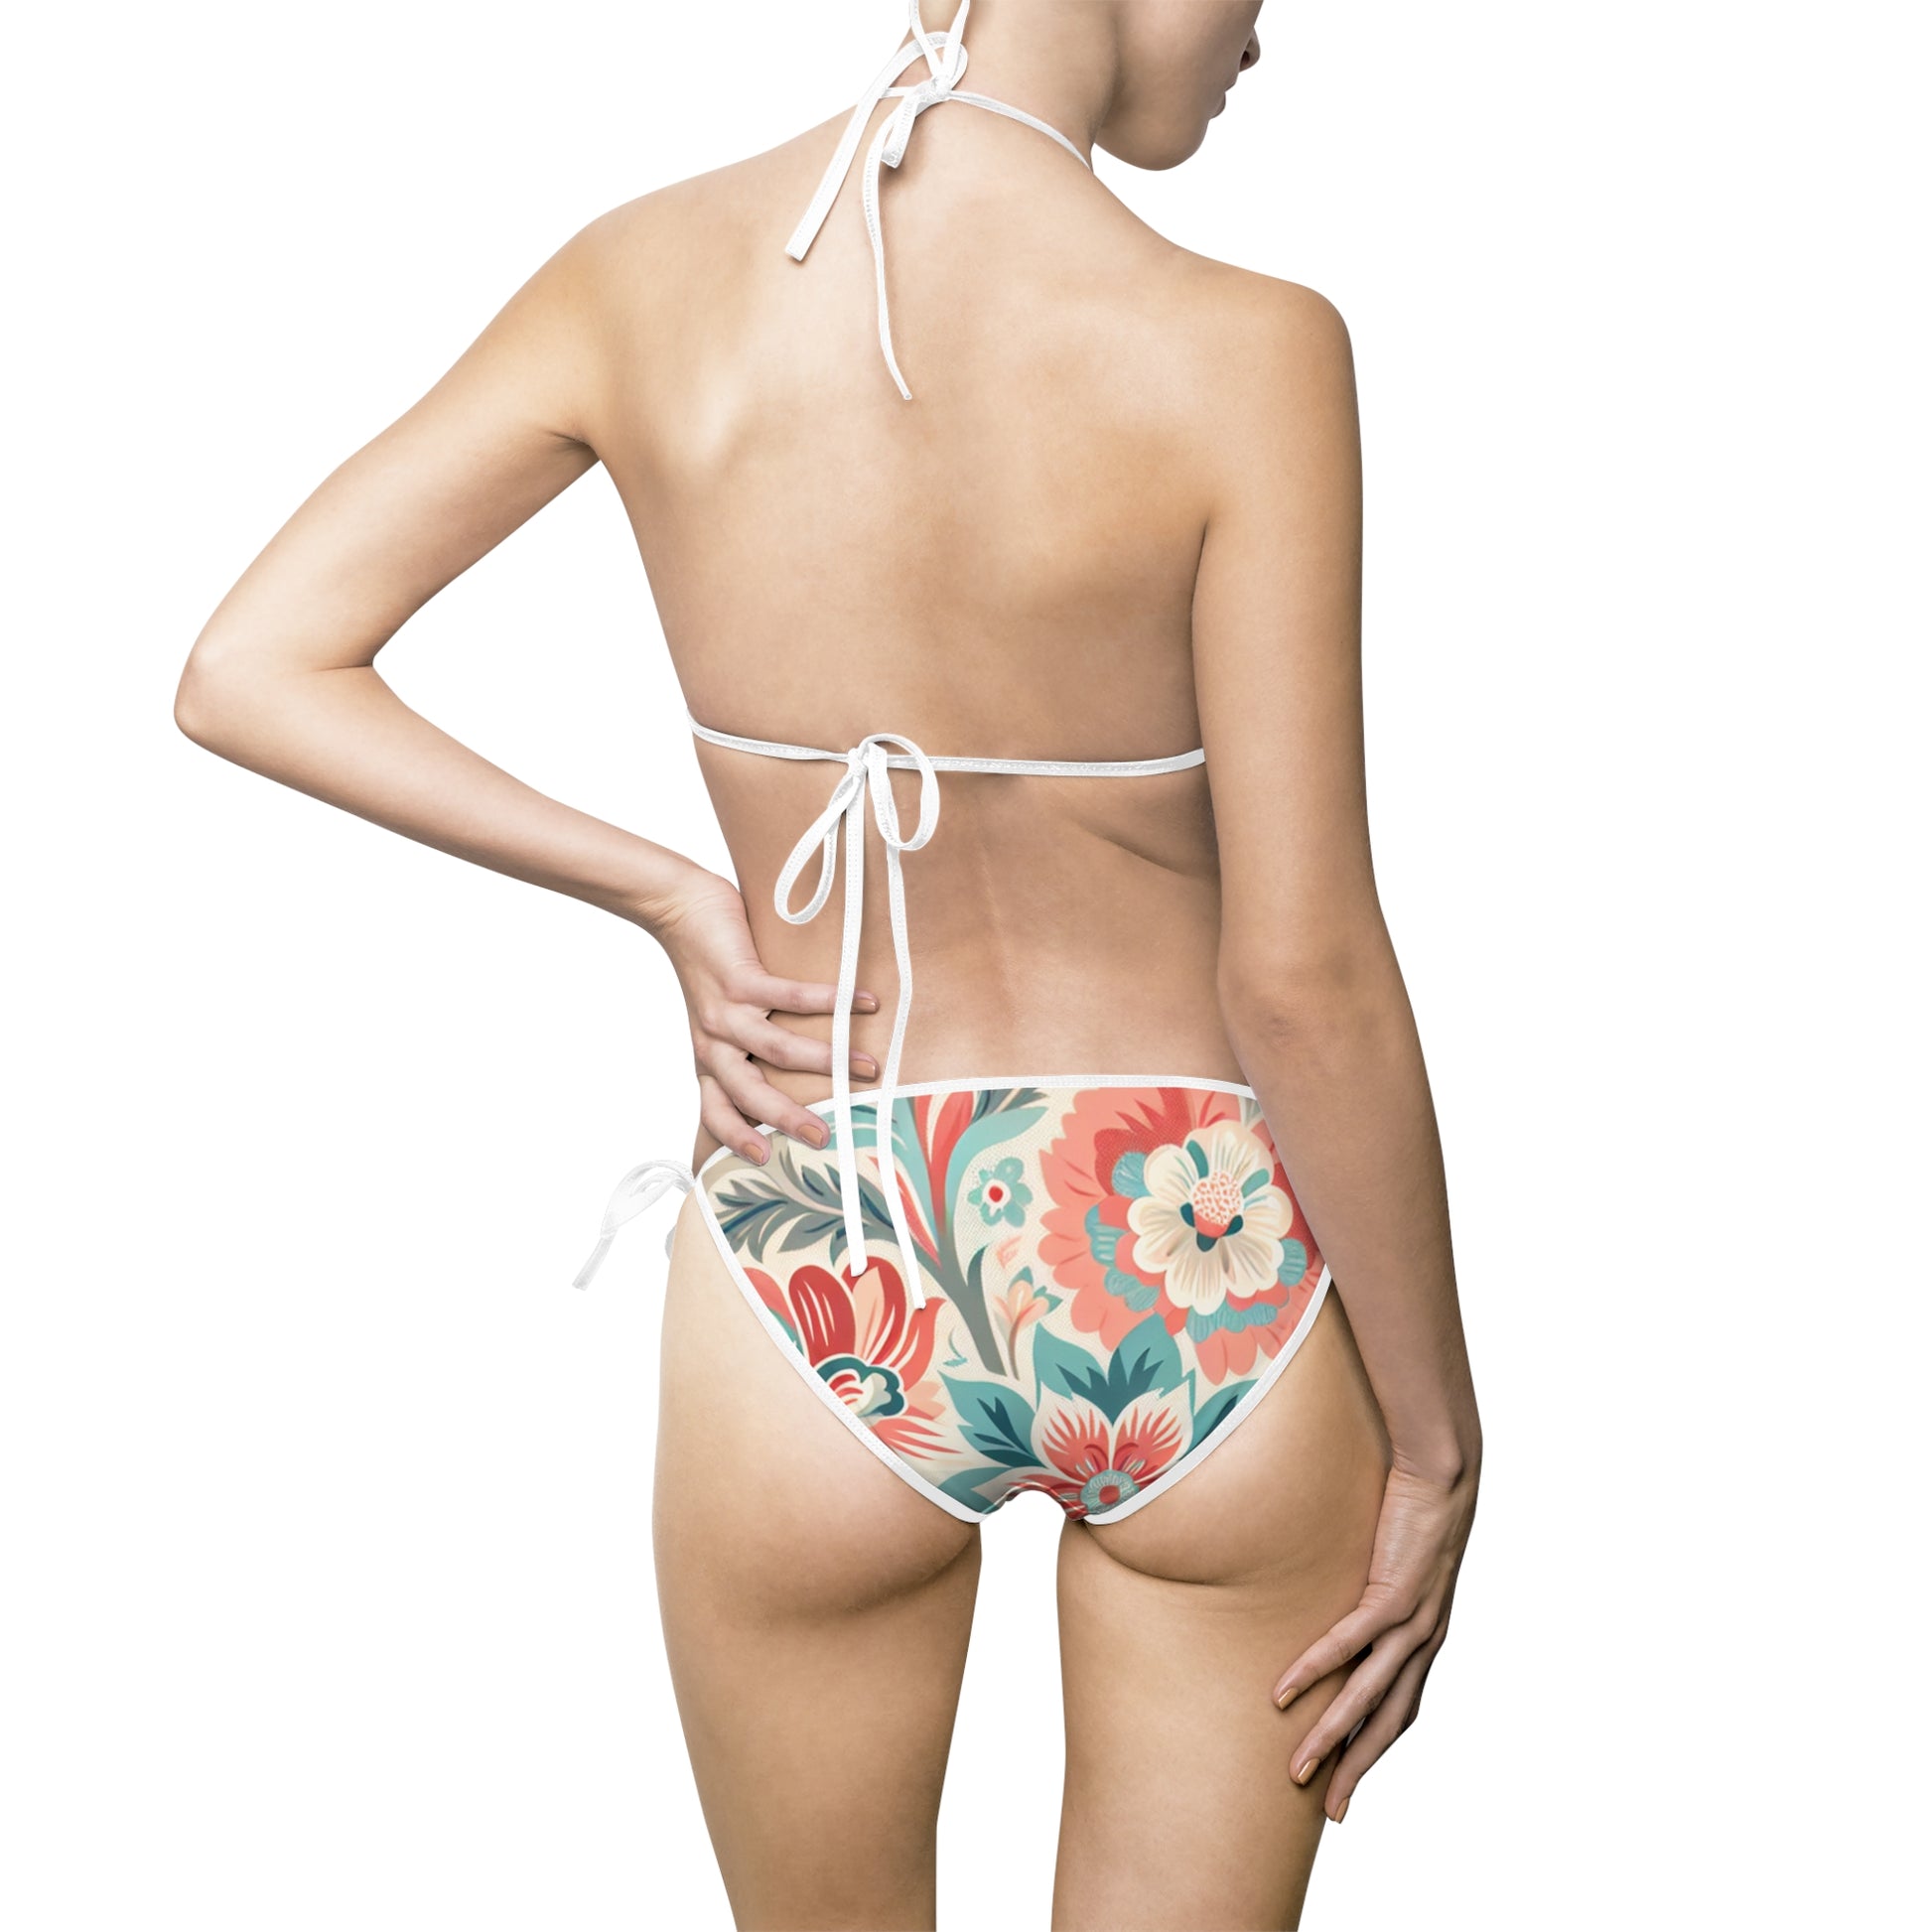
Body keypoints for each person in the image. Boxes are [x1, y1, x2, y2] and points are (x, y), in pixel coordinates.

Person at [174, 2, 1480, 1923]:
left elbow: (250, 665)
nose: (1262, 30)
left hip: (820, 1222)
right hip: (1196, 1253)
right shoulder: (1249, 345)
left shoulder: (640, 279)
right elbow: (1303, 979)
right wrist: (1436, 1440)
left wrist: (678, 896)